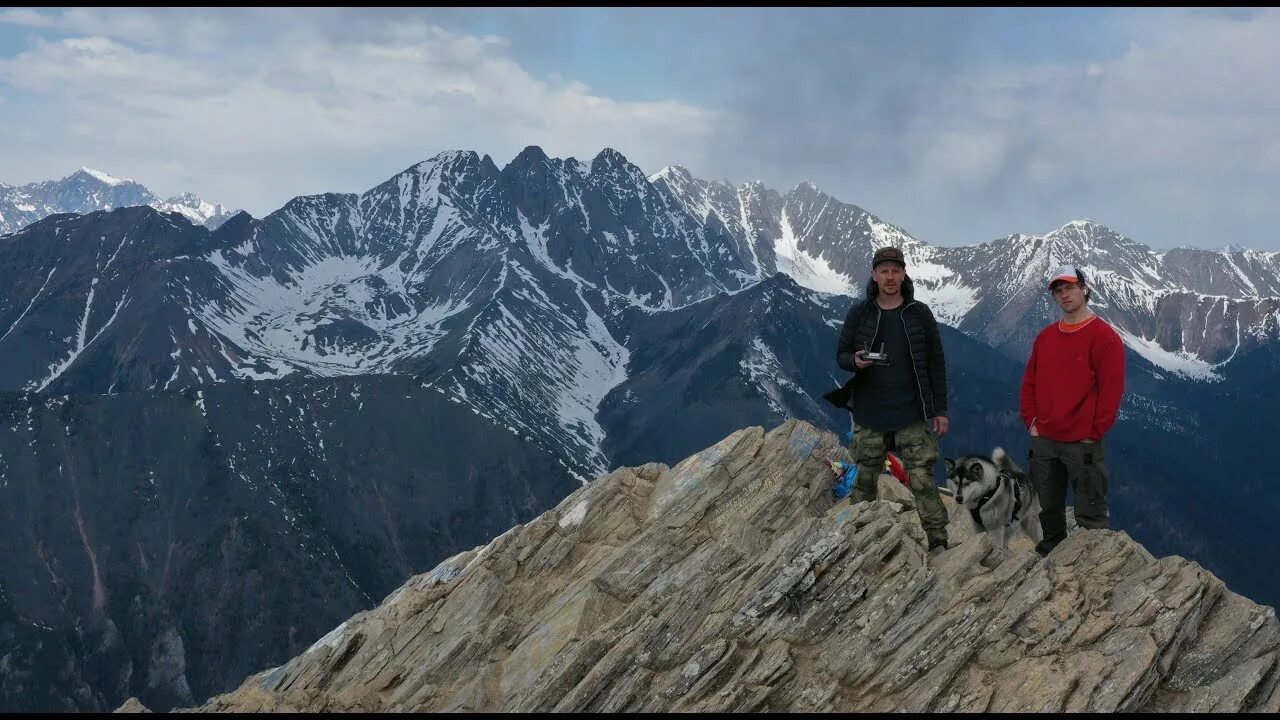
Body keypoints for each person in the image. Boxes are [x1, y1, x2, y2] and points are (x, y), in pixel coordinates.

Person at [824, 246, 951, 553]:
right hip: (871, 411)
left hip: (912, 411)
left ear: (904, 274)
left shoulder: (920, 314)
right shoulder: (860, 313)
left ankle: (939, 541)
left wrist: (940, 409)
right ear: (874, 275)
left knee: (921, 479)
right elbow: (841, 355)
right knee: (865, 477)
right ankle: (857, 537)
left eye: (895, 271)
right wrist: (855, 361)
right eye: (884, 271)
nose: (890, 277)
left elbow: (936, 363)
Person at [1020, 265, 1126, 557]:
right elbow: (1030, 381)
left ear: (1084, 289)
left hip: (1083, 444)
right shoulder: (1046, 337)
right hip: (1045, 440)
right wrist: (1031, 421)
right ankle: (1049, 559)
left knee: (1091, 512)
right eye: (1058, 290)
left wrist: (1094, 432)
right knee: (1048, 508)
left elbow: (1111, 391)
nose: (1064, 295)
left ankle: (1096, 568)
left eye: (1069, 288)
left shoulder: (1104, 337)